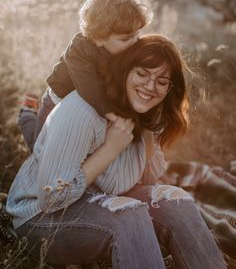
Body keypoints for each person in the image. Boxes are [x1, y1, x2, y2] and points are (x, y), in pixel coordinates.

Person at [7, 35, 227, 269]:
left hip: (100, 206)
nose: (150, 87)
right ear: (124, 70)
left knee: (176, 200)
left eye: (162, 81)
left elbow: (148, 183)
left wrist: (147, 135)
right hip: (41, 219)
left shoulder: (149, 115)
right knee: (128, 215)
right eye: (142, 74)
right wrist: (110, 148)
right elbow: (52, 198)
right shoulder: (82, 110)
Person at [19, 0, 152, 152]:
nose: (135, 43)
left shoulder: (125, 45)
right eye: (126, 39)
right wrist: (114, 117)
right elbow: (90, 88)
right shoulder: (79, 49)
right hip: (57, 100)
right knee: (39, 147)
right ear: (98, 38)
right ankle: (27, 113)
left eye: (137, 35)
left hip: (87, 107)